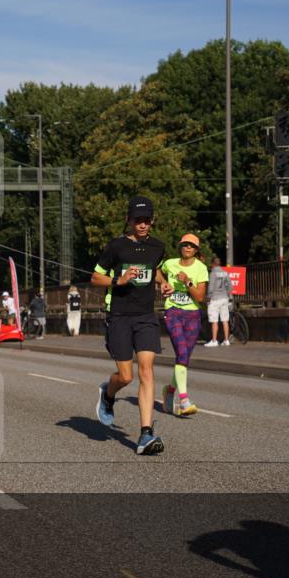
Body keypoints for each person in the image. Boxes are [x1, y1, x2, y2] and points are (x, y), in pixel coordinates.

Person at [90, 195, 173, 456]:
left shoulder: (157, 247)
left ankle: (145, 434)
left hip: (146, 316)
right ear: (129, 220)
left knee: (147, 372)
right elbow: (95, 277)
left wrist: (162, 283)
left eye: (147, 219)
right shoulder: (116, 247)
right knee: (126, 376)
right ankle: (108, 393)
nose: (143, 223)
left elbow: (156, 268)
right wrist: (119, 280)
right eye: (138, 219)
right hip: (119, 316)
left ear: (153, 220)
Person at [160, 234, 208, 416]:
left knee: (184, 358)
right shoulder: (170, 263)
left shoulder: (200, 268)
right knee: (181, 352)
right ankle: (184, 401)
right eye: (185, 245)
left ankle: (169, 391)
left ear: (196, 250)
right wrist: (163, 283)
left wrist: (187, 281)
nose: (188, 248)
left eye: (192, 246)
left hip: (192, 315)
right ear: (180, 246)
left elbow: (200, 297)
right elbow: (157, 270)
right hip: (173, 312)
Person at [205, 256, 232, 347]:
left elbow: (211, 288)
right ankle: (226, 340)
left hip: (215, 299)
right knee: (225, 320)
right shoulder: (225, 273)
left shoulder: (213, 273)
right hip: (224, 298)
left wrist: (208, 298)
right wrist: (229, 295)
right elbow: (230, 286)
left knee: (214, 320)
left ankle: (214, 340)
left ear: (213, 264)